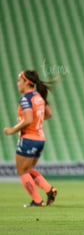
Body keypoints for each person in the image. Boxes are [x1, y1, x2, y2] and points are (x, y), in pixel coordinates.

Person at [4, 70, 58, 207]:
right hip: (40, 139)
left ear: (27, 82)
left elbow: (28, 120)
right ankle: (49, 190)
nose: (18, 84)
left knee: (22, 171)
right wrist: (36, 122)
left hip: (28, 138)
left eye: (19, 80)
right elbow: (48, 114)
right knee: (28, 169)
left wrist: (12, 129)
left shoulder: (26, 98)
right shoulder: (39, 97)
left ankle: (37, 201)